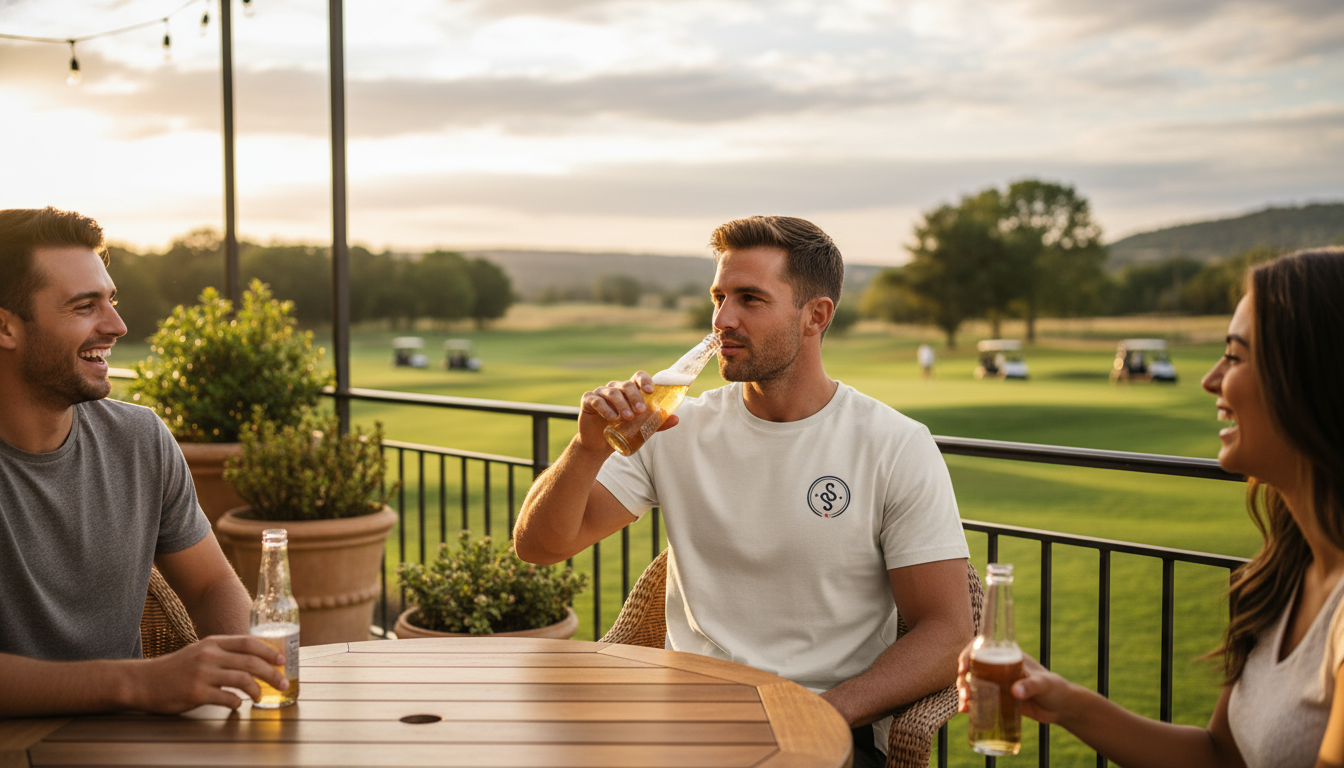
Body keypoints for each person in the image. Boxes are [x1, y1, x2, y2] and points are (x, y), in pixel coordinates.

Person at [514, 215, 974, 766]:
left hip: (821, 727)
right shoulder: (673, 427)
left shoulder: (894, 444)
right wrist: (587, 448)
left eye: (750, 299)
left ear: (816, 315)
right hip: (682, 722)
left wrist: (821, 713)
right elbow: (539, 546)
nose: (721, 320)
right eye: (719, 297)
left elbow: (948, 633)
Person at [956, 247, 1344, 768]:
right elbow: (1218, 756)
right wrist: (1065, 701)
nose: (1210, 379)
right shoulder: (1285, 573)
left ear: (1311, 377)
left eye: (1233, 357)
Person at [0, 207, 288, 717]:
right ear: (5, 327)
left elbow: (210, 584)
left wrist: (253, 667)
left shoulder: (139, 439)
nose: (116, 325)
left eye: (110, 300)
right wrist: (138, 683)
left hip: (127, 741)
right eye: (84, 306)